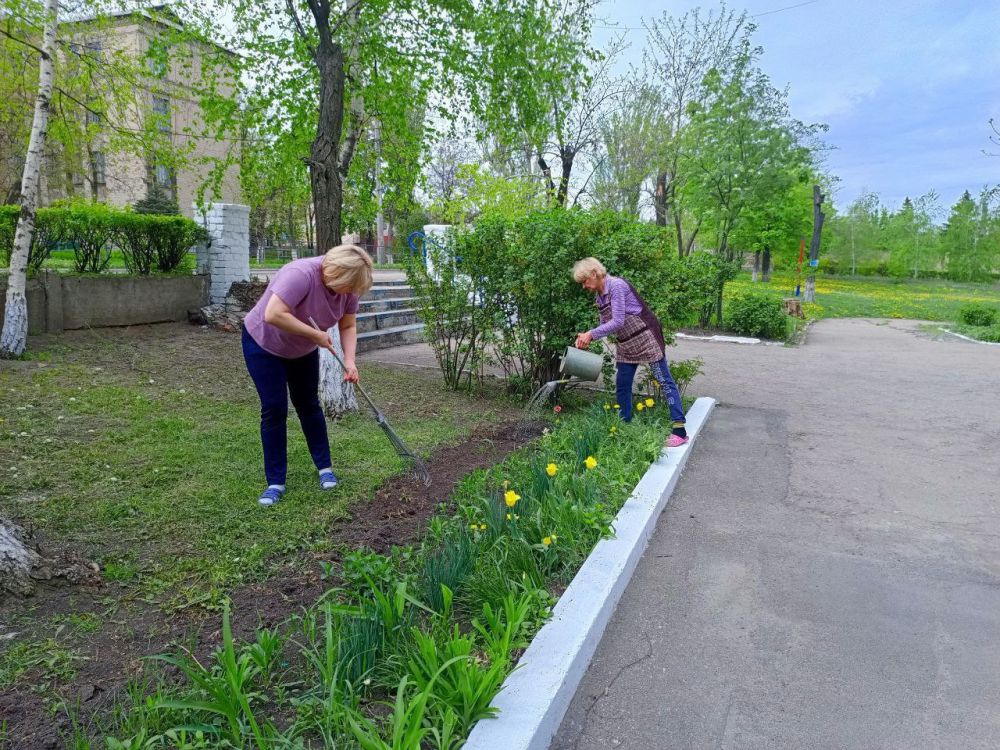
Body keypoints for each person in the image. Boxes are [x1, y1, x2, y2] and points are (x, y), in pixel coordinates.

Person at [242, 245, 373, 506]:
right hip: (264, 345)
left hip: (301, 350)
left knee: (309, 404)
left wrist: (350, 361)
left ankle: (325, 468)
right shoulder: (300, 274)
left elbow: (347, 325)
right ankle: (275, 482)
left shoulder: (349, 288)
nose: (350, 294)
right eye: (348, 287)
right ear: (337, 274)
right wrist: (315, 335)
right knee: (274, 408)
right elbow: (273, 314)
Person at [572, 257, 689, 447]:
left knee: (664, 381)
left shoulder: (616, 286)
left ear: (594, 273)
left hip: (645, 338)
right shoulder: (599, 296)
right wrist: (587, 338)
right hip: (626, 344)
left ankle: (680, 430)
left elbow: (618, 321)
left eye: (585, 281)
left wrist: (591, 335)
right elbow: (606, 325)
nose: (584, 286)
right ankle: (624, 425)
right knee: (622, 385)